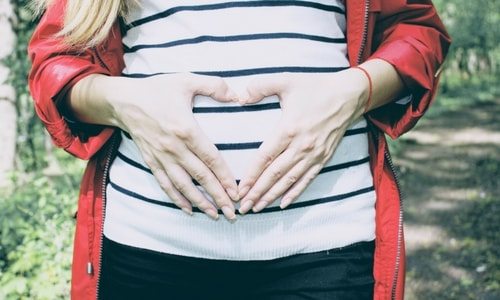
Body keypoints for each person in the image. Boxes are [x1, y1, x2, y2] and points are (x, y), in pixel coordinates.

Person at [28, 0, 450, 299]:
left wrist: (356, 90)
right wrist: (121, 101)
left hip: (327, 247)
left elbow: (417, 31)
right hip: (145, 248)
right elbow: (55, 64)